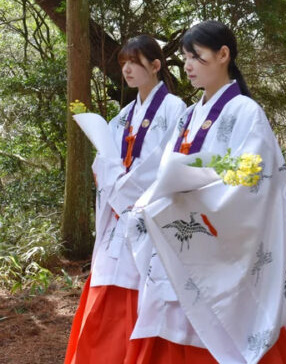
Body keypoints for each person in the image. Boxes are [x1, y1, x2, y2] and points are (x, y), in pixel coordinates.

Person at [127, 20, 286, 363]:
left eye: (196, 56)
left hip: (222, 242)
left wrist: (189, 195)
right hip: (186, 242)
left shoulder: (247, 112)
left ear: (223, 55)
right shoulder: (187, 116)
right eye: (186, 57)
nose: (187, 65)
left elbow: (254, 184)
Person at [64, 35, 188, 364]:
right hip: (120, 218)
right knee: (109, 285)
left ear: (156, 65)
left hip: (151, 215)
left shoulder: (176, 109)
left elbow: (166, 162)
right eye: (123, 63)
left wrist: (120, 184)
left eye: (135, 62)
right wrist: (108, 177)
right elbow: (104, 161)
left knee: (149, 290)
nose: (128, 69)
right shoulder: (124, 114)